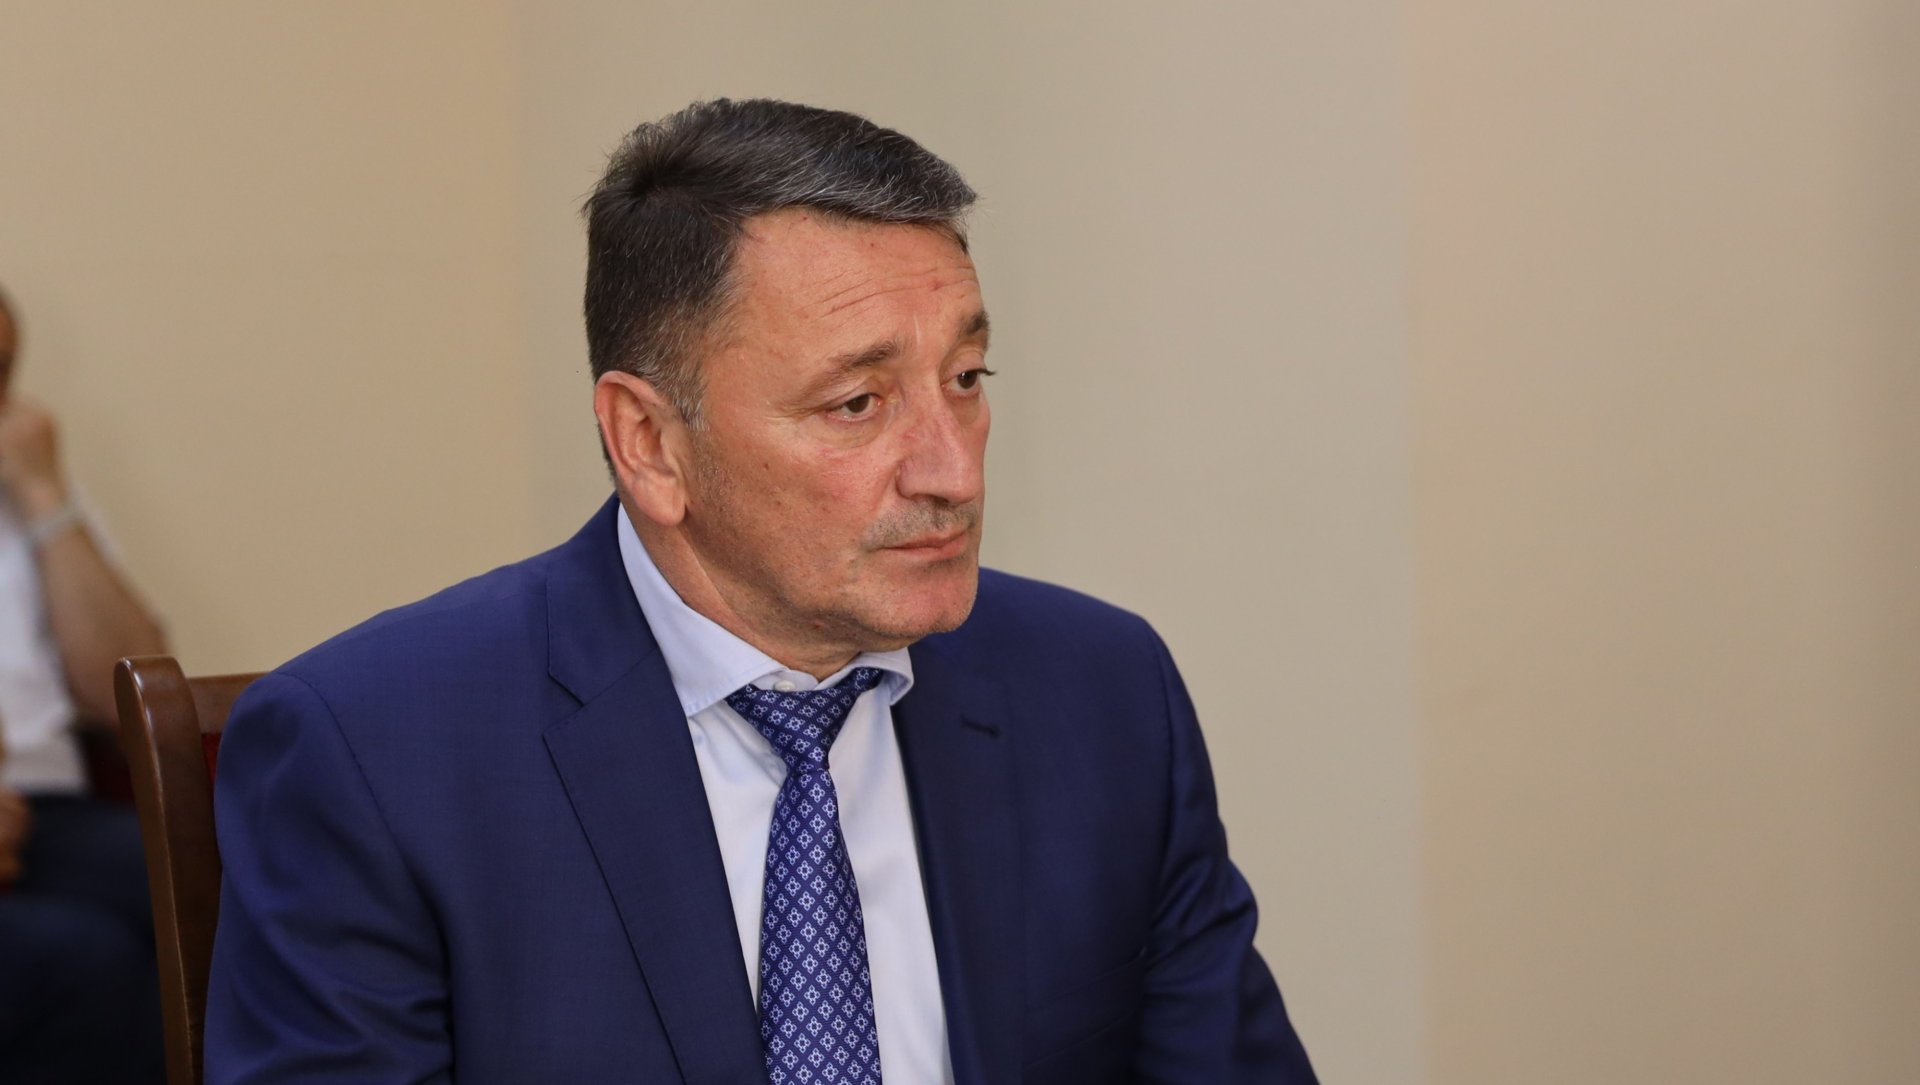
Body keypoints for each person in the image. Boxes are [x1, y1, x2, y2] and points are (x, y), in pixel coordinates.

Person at [206, 99, 1318, 1083]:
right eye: (857, 403)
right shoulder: (375, 754)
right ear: (650, 442)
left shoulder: (1102, 692)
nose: (954, 471)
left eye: (966, 379)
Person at [0, 285, 169, 1083]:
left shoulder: (25, 491)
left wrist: (44, 495)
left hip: (50, 811)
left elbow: (128, 700)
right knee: (86, 959)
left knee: (225, 882)